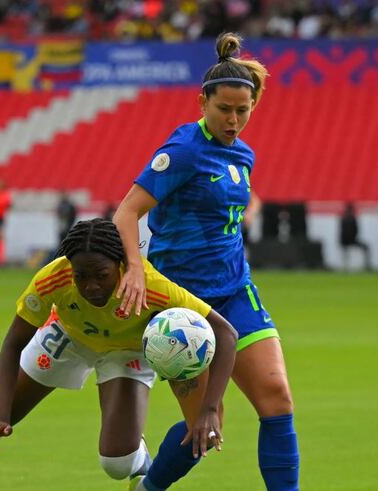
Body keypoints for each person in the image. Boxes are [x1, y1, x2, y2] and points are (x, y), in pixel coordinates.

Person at [0, 219, 237, 490]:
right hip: (68, 337)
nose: (91, 286)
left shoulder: (150, 285)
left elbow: (225, 333)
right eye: (82, 276)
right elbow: (12, 343)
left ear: (121, 266)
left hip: (126, 350)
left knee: (116, 465)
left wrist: (209, 407)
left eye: (101, 275)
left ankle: (139, 461)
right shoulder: (53, 277)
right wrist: (4, 415)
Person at [113, 33, 299, 491]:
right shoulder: (182, 150)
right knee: (205, 427)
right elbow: (126, 212)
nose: (234, 120)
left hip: (235, 289)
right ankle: (149, 487)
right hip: (182, 303)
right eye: (225, 110)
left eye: (243, 111)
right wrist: (136, 268)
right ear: (202, 102)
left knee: (277, 399)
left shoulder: (243, 153)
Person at [339, 202, 372, 271]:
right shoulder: (352, 219)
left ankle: (346, 268)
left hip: (344, 241)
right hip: (350, 241)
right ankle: (367, 266)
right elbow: (356, 231)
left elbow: (341, 232)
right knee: (366, 247)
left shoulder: (343, 219)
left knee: (364, 247)